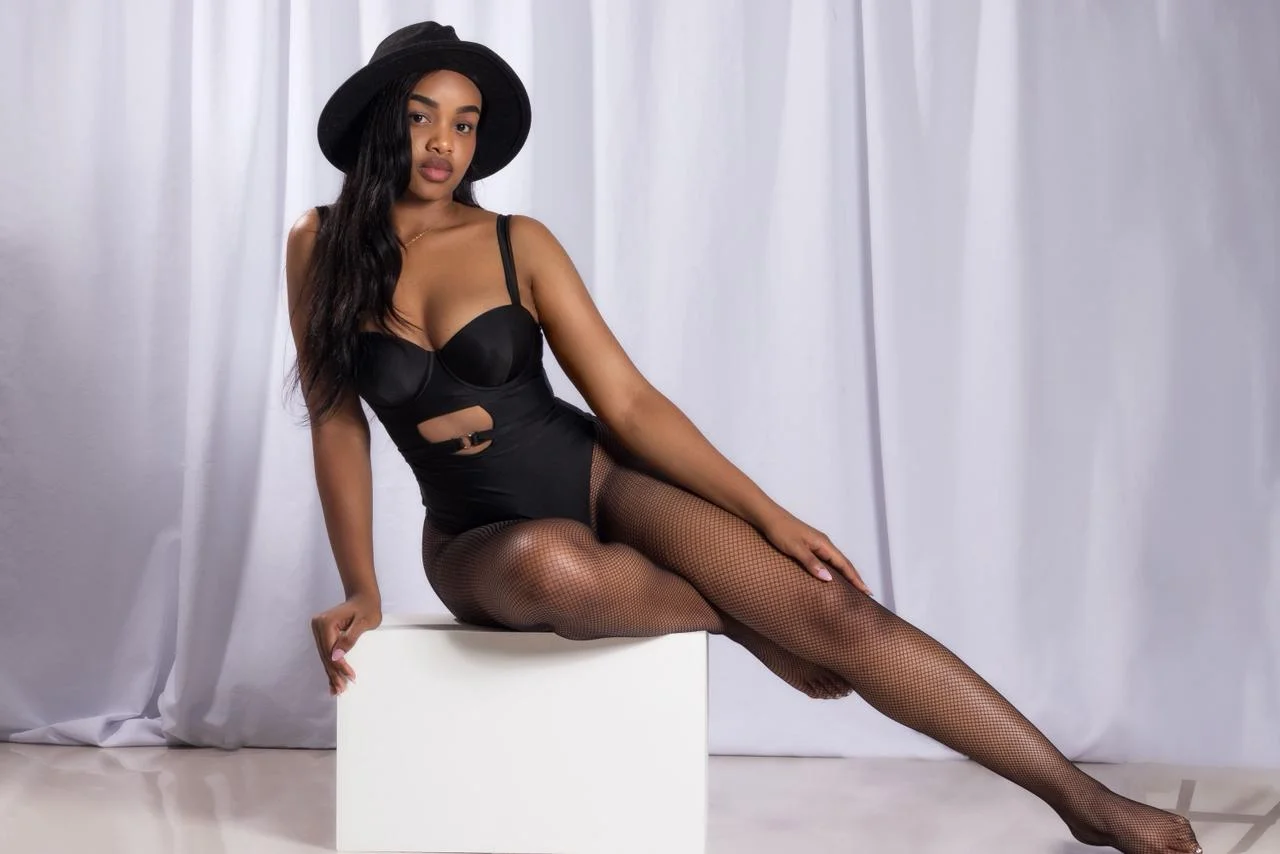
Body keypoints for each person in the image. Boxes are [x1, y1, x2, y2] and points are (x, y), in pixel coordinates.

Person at [285, 21, 1203, 854]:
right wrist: (362, 585)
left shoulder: (517, 240)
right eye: (422, 116)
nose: (444, 143)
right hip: (477, 540)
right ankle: (748, 625)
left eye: (465, 123)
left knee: (833, 610)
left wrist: (770, 517)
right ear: (382, 120)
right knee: (551, 566)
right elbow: (336, 421)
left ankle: (1084, 802)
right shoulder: (318, 246)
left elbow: (629, 404)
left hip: (599, 477)